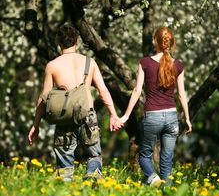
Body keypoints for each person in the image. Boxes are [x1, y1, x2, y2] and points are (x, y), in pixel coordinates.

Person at [28, 22, 122, 181]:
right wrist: (113, 114)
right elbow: (103, 90)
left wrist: (35, 125)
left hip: (63, 117)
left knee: (64, 162)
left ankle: (64, 195)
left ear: (59, 42)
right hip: (87, 116)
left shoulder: (52, 65)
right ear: (77, 41)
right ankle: (92, 183)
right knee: (93, 156)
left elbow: (43, 98)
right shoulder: (89, 62)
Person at [118, 26, 192, 186]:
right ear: (172, 43)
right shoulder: (178, 65)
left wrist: (125, 115)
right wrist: (187, 118)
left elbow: (137, 90)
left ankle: (153, 178)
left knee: (144, 156)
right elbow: (181, 95)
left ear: (155, 41)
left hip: (153, 116)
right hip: (172, 118)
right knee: (167, 161)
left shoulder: (145, 62)